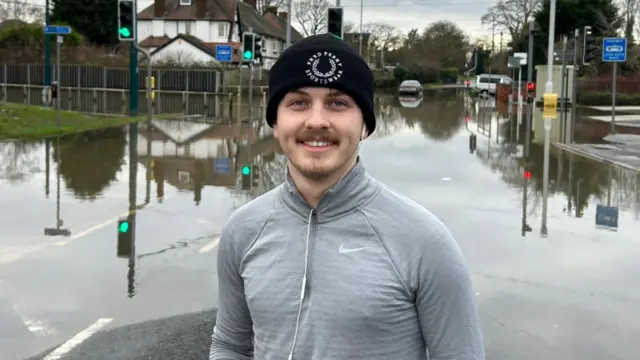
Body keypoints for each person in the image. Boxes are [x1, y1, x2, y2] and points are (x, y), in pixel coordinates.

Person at [210, 33, 485, 360]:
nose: (316, 121)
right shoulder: (242, 231)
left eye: (338, 104)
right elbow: (230, 346)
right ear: (274, 120)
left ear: (365, 124)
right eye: (298, 103)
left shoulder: (425, 241)